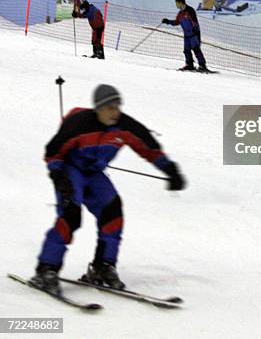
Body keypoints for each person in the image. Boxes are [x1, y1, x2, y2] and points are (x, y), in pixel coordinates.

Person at [32, 84, 185, 295]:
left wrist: (170, 170)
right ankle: (46, 270)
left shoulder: (124, 125)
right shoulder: (79, 125)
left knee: (112, 212)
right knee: (70, 215)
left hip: (94, 174)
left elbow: (149, 148)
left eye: (118, 107)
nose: (116, 112)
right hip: (71, 170)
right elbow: (53, 152)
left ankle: (103, 266)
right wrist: (59, 176)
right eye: (110, 108)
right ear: (98, 108)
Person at [162, 0, 208, 72]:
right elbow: (177, 22)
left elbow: (194, 21)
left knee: (196, 49)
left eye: (177, 3)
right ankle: (189, 65)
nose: (176, 5)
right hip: (186, 35)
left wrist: (195, 30)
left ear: (181, 3)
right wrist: (168, 21)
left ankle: (202, 65)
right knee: (186, 50)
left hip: (193, 34)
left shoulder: (190, 10)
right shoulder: (180, 13)